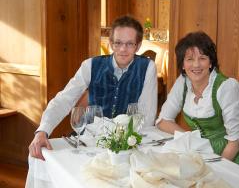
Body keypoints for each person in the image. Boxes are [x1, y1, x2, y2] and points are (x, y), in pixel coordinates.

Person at [29, 15, 158, 160]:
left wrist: (124, 142)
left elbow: (147, 116)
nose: (122, 49)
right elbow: (64, 99)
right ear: (110, 43)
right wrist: (43, 130)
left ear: (138, 45)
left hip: (126, 146)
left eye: (129, 44)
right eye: (118, 43)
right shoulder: (90, 65)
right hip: (91, 142)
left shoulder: (147, 68)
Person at [156, 31, 239, 169]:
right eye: (189, 59)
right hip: (197, 155)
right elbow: (162, 122)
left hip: (226, 158)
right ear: (182, 65)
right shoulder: (183, 82)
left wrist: (216, 169)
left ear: (211, 62)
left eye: (202, 58)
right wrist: (190, 138)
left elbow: (235, 141)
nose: (196, 65)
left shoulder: (226, 87)